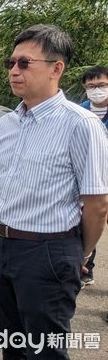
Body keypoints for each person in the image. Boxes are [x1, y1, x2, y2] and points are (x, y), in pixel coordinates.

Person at [0, 25, 108, 358]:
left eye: (25, 63)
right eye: (11, 63)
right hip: (0, 242)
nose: (14, 71)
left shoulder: (81, 125)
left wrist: (78, 255)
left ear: (57, 68)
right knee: (11, 342)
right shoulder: (7, 123)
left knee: (45, 351)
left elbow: (97, 204)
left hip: (48, 251)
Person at [78, 66, 108, 289]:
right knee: (87, 223)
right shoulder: (79, 113)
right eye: (91, 87)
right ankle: (86, 269)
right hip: (89, 179)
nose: (96, 90)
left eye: (102, 85)